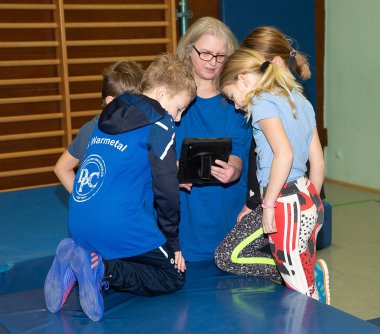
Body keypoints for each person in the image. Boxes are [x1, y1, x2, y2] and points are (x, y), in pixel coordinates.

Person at [44, 53, 197, 321]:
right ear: (162, 94)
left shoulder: (107, 117)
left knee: (136, 248)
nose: (179, 117)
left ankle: (76, 256)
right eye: (180, 108)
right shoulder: (161, 125)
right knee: (173, 275)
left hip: (78, 223)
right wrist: (173, 242)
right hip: (116, 225)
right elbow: (166, 191)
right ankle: (102, 269)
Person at [219, 44, 328, 302]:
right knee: (299, 277)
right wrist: (315, 203)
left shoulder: (261, 103)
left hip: (284, 200)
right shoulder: (299, 100)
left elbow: (285, 154)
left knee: (300, 289)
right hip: (305, 194)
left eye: (232, 96)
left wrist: (268, 205)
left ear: (243, 79)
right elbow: (319, 162)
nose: (235, 106)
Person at [175, 17, 252, 262]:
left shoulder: (236, 99)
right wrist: (167, 168)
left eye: (221, 56)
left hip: (225, 210)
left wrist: (235, 168)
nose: (212, 62)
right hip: (183, 214)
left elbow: (240, 146)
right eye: (206, 53)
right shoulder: (172, 97)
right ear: (189, 50)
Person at [54, 60, 144, 193]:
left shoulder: (137, 128)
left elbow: (61, 168)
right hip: (117, 210)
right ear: (111, 102)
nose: (140, 109)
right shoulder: (91, 131)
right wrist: (82, 199)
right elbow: (61, 168)